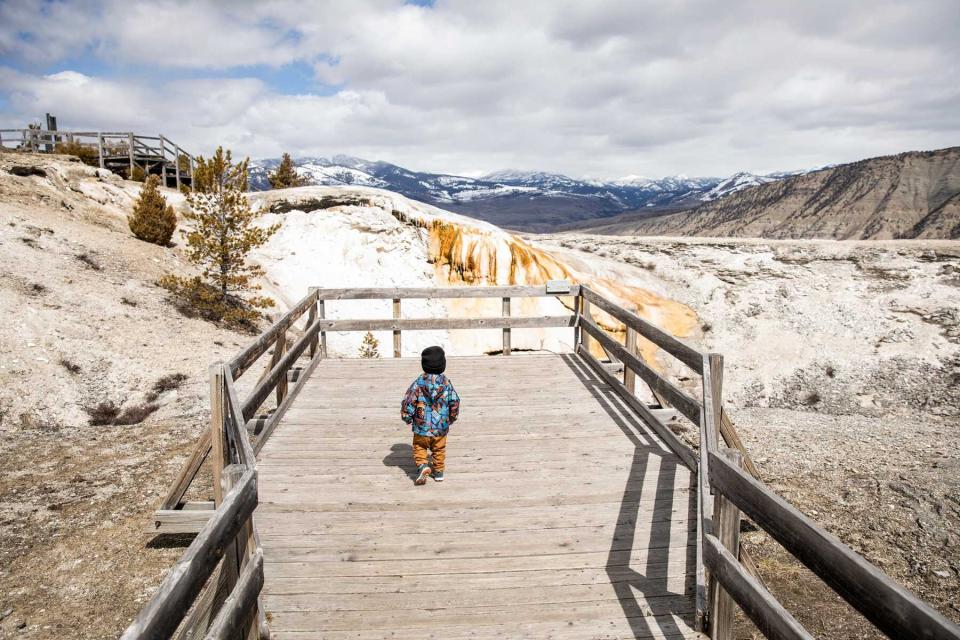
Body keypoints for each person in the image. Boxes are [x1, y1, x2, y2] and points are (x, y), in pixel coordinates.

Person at [401, 346, 461, 485]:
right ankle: (439, 472)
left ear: (424, 364)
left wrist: (407, 416)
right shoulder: (446, 383)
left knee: (420, 447)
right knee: (439, 449)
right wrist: (452, 417)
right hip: (440, 426)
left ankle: (423, 465)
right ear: (443, 365)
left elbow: (409, 400)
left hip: (421, 426)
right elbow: (454, 400)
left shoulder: (419, 382)